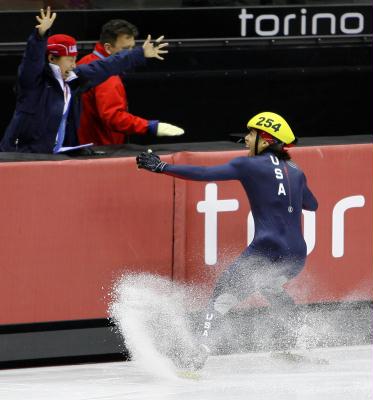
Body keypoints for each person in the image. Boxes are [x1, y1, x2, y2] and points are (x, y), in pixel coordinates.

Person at [136, 111, 318, 370]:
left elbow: (203, 172)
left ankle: (196, 356)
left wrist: (161, 166)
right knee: (270, 288)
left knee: (222, 298)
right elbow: (313, 204)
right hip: (297, 254)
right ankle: (298, 340)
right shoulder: (296, 171)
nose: (245, 139)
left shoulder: (249, 165)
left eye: (251, 134)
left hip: (266, 248)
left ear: (265, 141)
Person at [0, 7, 168, 154]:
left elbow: (106, 66)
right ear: (52, 58)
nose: (74, 64)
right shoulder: (33, 84)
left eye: (75, 58)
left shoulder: (74, 80)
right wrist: (39, 36)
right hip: (22, 154)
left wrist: (139, 54)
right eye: (69, 59)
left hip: (56, 155)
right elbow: (32, 61)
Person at [77, 19, 184, 146]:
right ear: (108, 48)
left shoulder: (84, 62)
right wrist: (150, 126)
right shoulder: (108, 78)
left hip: (85, 145)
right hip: (102, 149)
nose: (131, 52)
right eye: (126, 49)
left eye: (133, 48)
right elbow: (113, 118)